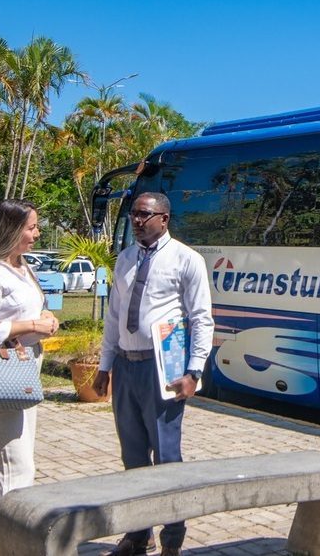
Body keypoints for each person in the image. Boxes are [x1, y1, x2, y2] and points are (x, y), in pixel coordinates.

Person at [93, 192, 213, 556]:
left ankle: (172, 538)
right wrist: (104, 365)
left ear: (164, 218)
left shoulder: (186, 259)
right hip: (127, 367)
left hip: (165, 371)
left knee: (166, 456)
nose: (136, 220)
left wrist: (194, 371)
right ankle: (137, 533)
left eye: (144, 214)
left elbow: (201, 318)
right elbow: (114, 317)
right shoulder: (126, 259)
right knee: (132, 456)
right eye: (133, 214)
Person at [0, 199, 60, 556]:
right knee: (16, 469)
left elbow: (27, 308)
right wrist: (33, 324)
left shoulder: (21, 268)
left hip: (24, 373)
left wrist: (44, 317)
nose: (37, 233)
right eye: (31, 227)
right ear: (11, 229)